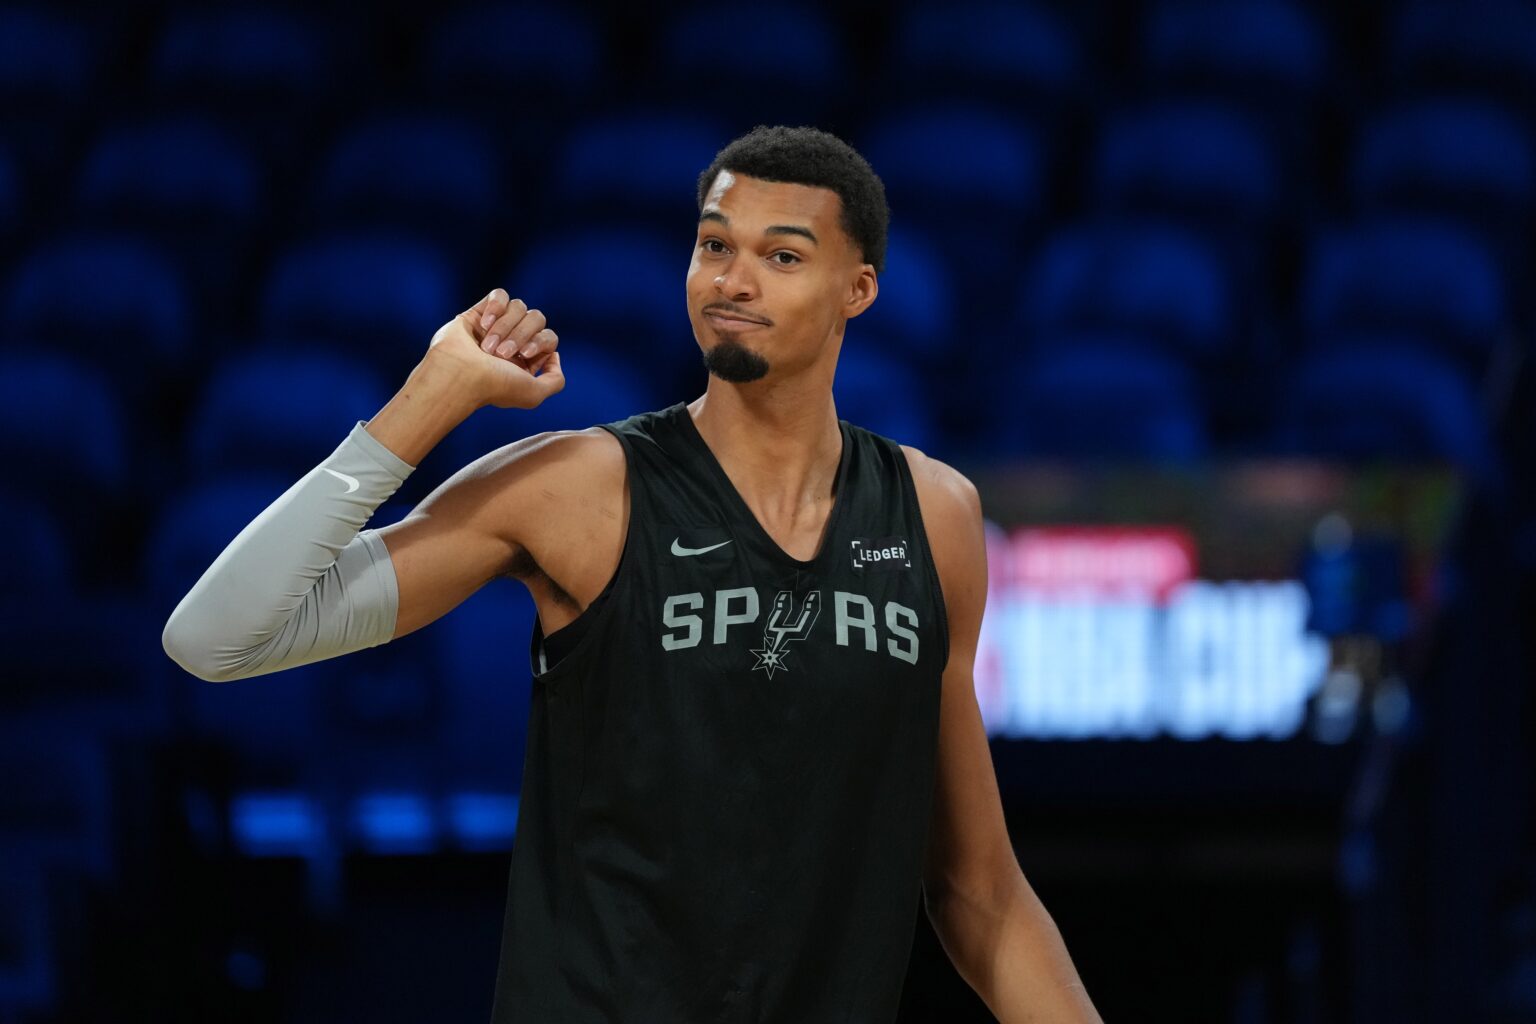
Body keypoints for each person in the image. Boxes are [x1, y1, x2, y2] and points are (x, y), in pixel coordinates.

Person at [163, 124, 1102, 1023]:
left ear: (857, 289)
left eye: (781, 256)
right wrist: (427, 401)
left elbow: (977, 892)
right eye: (714, 245)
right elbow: (215, 639)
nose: (732, 280)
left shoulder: (934, 515)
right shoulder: (578, 488)